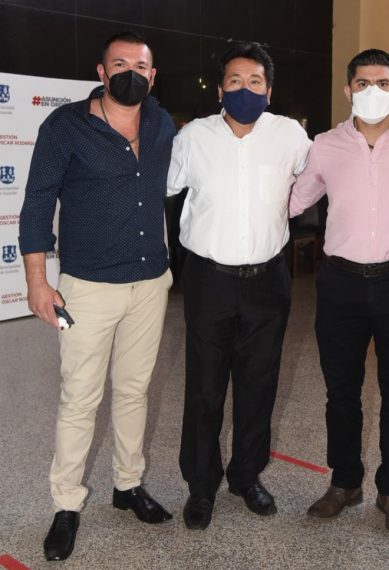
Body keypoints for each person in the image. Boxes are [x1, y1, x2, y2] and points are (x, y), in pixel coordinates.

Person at [19, 31, 176, 562]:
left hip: (150, 282)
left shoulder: (161, 123)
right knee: (80, 398)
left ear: (153, 75)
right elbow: (37, 202)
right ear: (102, 72)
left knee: (133, 391)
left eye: (141, 65)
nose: (132, 72)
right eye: (120, 64)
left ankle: (128, 485)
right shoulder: (66, 125)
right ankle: (66, 504)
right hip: (87, 287)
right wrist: (37, 281)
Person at [290, 49, 389, 534]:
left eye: (382, 82)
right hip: (340, 283)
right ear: (347, 89)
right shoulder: (325, 145)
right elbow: (292, 200)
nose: (372, 91)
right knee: (341, 392)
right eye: (362, 83)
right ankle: (344, 481)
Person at [167, 41, 311, 530]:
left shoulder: (290, 135)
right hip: (209, 278)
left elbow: (318, 178)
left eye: (254, 82)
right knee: (205, 388)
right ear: (219, 90)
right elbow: (162, 184)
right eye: (234, 81)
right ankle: (201, 485)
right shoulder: (194, 137)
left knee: (259, 385)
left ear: (269, 90)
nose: (244, 89)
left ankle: (247, 476)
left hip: (268, 280)